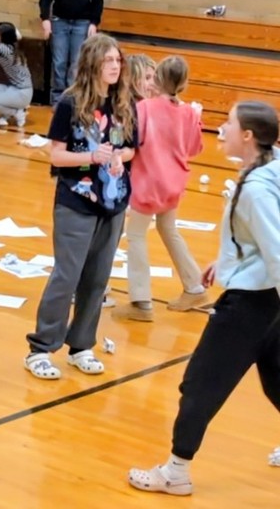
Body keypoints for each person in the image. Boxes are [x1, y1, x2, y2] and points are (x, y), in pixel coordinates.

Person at [128, 101, 280, 496]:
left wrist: (243, 273)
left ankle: (176, 471)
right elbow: (262, 241)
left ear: (248, 135)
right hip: (266, 301)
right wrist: (230, 261)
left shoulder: (256, 191)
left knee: (199, 385)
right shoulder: (272, 165)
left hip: (249, 306)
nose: (220, 128)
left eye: (228, 123)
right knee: (278, 380)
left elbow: (277, 251)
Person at [24, 34, 136, 380]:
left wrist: (118, 157)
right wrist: (91, 156)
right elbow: (56, 154)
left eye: (118, 60)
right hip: (76, 200)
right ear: (92, 64)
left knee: (98, 278)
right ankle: (41, 348)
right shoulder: (71, 103)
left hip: (114, 202)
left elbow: (132, 148)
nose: (115, 67)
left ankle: (81, 345)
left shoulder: (124, 102)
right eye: (108, 61)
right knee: (67, 275)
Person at [115, 57, 204, 322]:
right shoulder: (189, 112)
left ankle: (141, 302)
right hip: (174, 183)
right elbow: (195, 149)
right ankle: (195, 286)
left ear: (157, 79)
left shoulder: (144, 108)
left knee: (136, 236)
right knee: (169, 230)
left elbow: (130, 139)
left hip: (149, 183)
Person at [39, 0, 104, 105]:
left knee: (76, 62)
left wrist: (94, 22)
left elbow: (97, 0)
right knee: (59, 61)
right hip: (60, 21)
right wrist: (45, 18)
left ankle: (73, 98)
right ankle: (57, 99)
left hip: (81, 23)